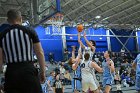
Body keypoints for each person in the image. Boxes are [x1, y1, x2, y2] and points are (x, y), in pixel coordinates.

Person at [0, 9, 46, 93]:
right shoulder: (30, 31)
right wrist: (42, 72)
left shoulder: (2, 35)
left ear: (8, 20)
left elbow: (0, 59)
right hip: (28, 71)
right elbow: (40, 52)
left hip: (11, 73)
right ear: (21, 18)